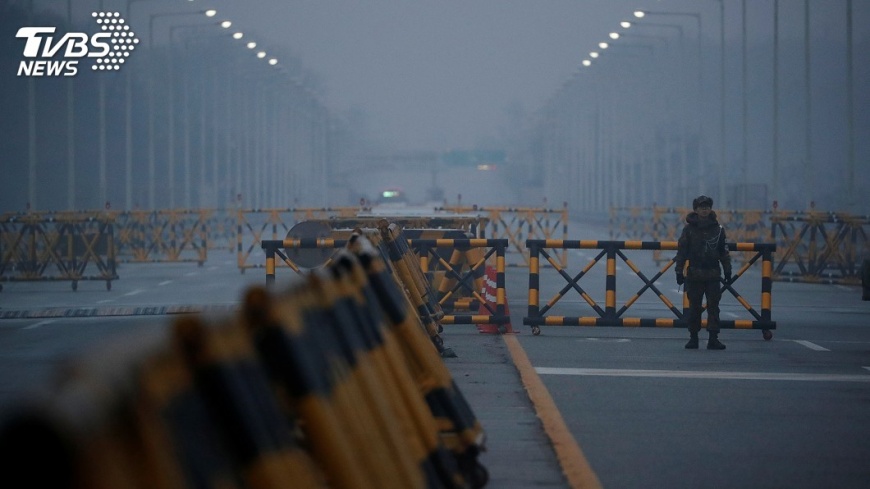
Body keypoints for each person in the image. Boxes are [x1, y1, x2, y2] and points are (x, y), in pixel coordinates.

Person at [674, 195, 732, 350]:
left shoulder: (718, 230)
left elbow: (724, 252)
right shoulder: (689, 230)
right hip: (694, 274)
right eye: (701, 207)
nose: (704, 210)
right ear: (696, 210)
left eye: (707, 207)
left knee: (714, 307)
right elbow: (682, 252)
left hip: (713, 274)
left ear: (710, 209)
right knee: (694, 308)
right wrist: (678, 271)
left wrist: (728, 270)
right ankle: (693, 338)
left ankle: (713, 338)